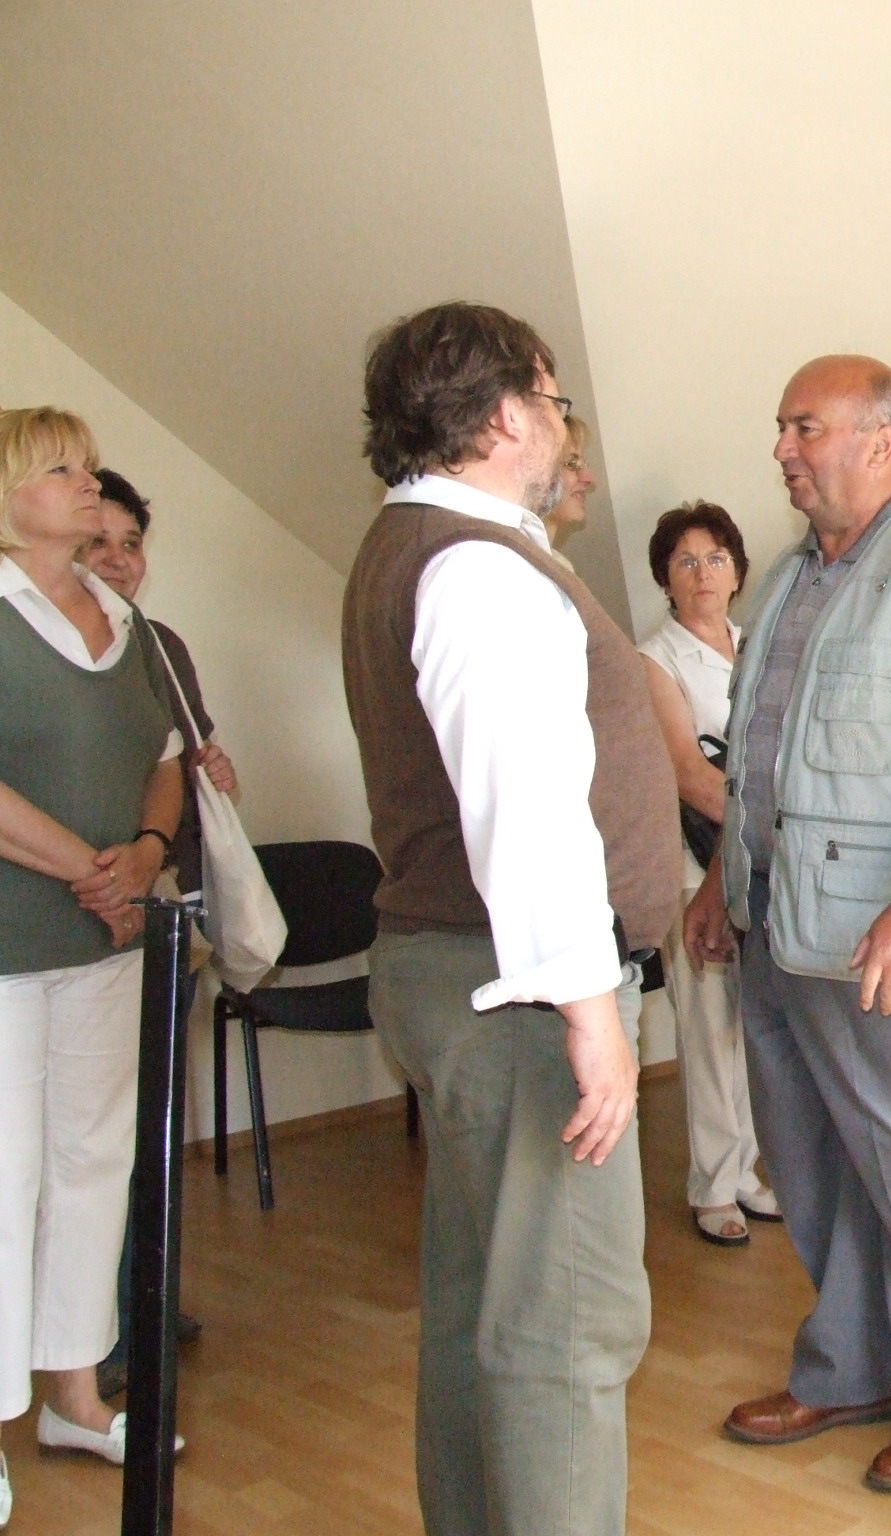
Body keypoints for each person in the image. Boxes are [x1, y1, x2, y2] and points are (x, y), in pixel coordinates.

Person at [342, 302, 682, 1535]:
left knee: (480, 1305)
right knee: (566, 1328)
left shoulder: (419, 545)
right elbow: (524, 809)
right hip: (519, 996)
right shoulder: (479, 568)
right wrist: (591, 1015)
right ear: (500, 418)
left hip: (465, 975)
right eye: (549, 399)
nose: (560, 424)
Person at [683, 354, 891, 1495]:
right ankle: (851, 1369)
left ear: (880, 441)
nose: (782, 449)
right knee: (815, 1167)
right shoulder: (787, 579)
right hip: (778, 927)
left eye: (804, 427)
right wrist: (717, 880)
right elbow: (760, 762)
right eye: (782, 428)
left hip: (890, 947)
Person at [0, 408, 186, 1523]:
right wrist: (91, 870)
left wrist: (146, 854)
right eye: (59, 468)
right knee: (1, 1177)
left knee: (89, 1163)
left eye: (89, 466)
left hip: (106, 942)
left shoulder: (126, 620)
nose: (87, 482)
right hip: (10, 949)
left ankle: (72, 1394)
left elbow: (166, 759)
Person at [81, 468, 240, 1397]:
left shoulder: (160, 646)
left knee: (153, 1127)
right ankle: (90, 1330)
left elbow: (186, 766)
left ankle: (143, 1303)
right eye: (97, 542)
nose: (117, 560)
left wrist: (214, 773)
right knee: (89, 1141)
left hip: (160, 912)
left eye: (131, 544)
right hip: (71, 916)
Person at [637, 500, 778, 1247]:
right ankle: (714, 1186)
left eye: (716, 558)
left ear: (738, 572)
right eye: (686, 561)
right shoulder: (653, 660)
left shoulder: (758, 643)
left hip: (760, 859)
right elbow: (691, 776)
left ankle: (747, 1169)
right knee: (708, 1024)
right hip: (696, 868)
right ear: (665, 577)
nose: (703, 574)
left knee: (752, 1026)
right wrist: (775, 813)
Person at [543, 412, 595, 563]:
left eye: (584, 464)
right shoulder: (504, 563)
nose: (589, 478)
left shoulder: (561, 565)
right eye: (571, 463)